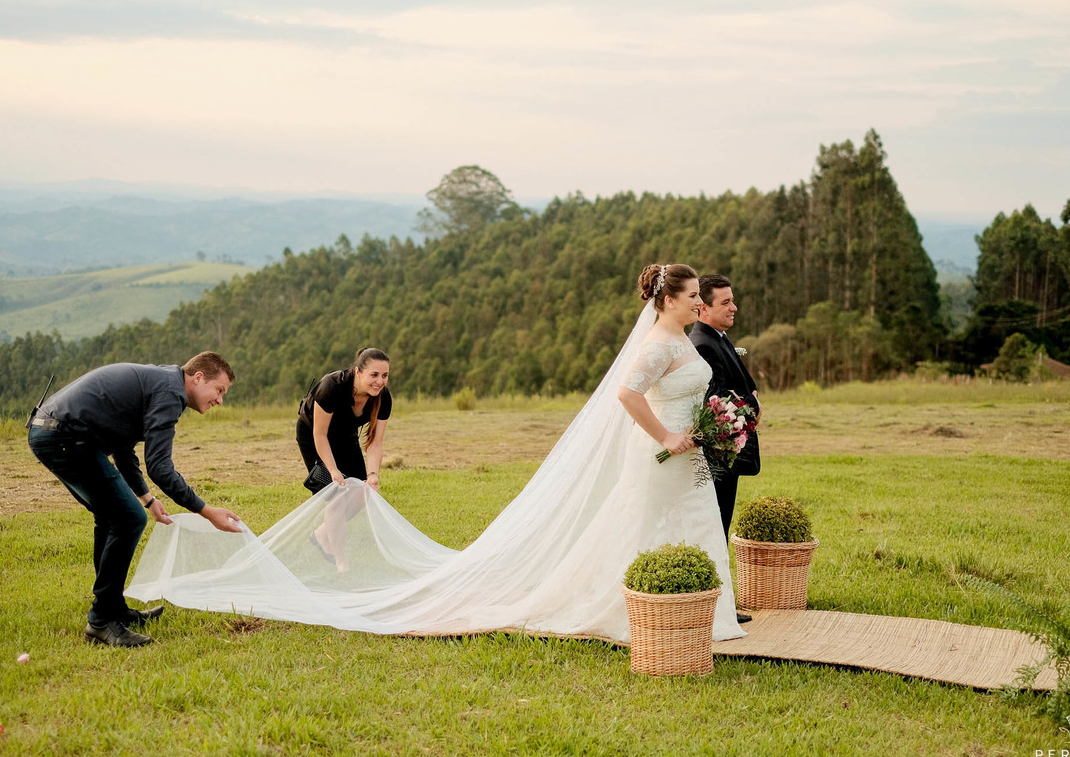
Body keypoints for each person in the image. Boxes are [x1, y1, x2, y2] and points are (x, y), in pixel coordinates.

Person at [127, 268, 746, 645]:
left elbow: (379, 434)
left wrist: (717, 423)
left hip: (688, 459)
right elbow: (626, 395)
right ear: (668, 299)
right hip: (318, 435)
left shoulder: (683, 340)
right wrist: (665, 435)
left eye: (700, 297)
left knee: (682, 525)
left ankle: (700, 609)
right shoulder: (329, 389)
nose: (701, 304)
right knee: (334, 492)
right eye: (694, 295)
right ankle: (330, 538)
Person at [27, 352, 243, 648]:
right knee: (128, 519)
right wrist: (207, 511)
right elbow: (160, 467)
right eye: (219, 390)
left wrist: (148, 498)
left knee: (113, 516)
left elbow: (123, 448)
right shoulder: (169, 391)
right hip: (65, 438)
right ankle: (101, 621)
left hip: (56, 433)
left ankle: (112, 608)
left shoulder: (162, 383)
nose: (220, 400)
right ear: (198, 378)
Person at [689, 274, 762, 623]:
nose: (734, 307)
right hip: (718, 456)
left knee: (720, 522)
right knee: (715, 525)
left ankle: (717, 601)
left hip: (726, 453)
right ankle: (716, 606)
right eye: (726, 302)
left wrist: (752, 395)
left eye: (733, 300)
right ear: (703, 308)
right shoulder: (703, 343)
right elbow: (714, 400)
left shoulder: (717, 337)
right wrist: (749, 407)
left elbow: (738, 383)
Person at [295, 348, 391, 572]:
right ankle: (341, 562)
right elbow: (319, 435)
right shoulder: (332, 387)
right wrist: (333, 470)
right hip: (314, 436)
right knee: (337, 496)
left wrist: (373, 475)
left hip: (345, 437)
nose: (380, 382)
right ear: (358, 372)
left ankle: (321, 534)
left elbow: (376, 443)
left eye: (385, 375)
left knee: (360, 492)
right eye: (374, 375)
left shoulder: (383, 398)